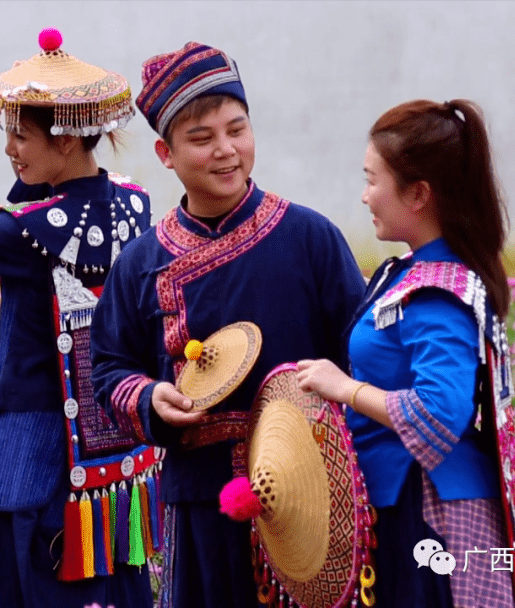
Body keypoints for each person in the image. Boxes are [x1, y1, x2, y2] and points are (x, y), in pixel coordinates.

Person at [89, 42, 367, 608]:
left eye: (236, 130)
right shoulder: (141, 264)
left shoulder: (310, 239)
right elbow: (111, 366)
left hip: (314, 491)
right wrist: (150, 398)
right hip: (203, 496)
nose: (226, 151)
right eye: (201, 138)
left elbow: (362, 353)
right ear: (165, 153)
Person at [0, 29, 155, 608]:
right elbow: (30, 194)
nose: (10, 150)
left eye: (19, 136)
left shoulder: (30, 232)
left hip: (31, 451)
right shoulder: (134, 201)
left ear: (67, 138)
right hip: (113, 455)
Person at [293, 99, 515, 607]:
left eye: (371, 179)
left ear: (418, 193)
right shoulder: (409, 274)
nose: (364, 196)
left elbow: (440, 410)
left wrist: (348, 389)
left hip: (428, 513)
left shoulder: (435, 294)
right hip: (406, 502)